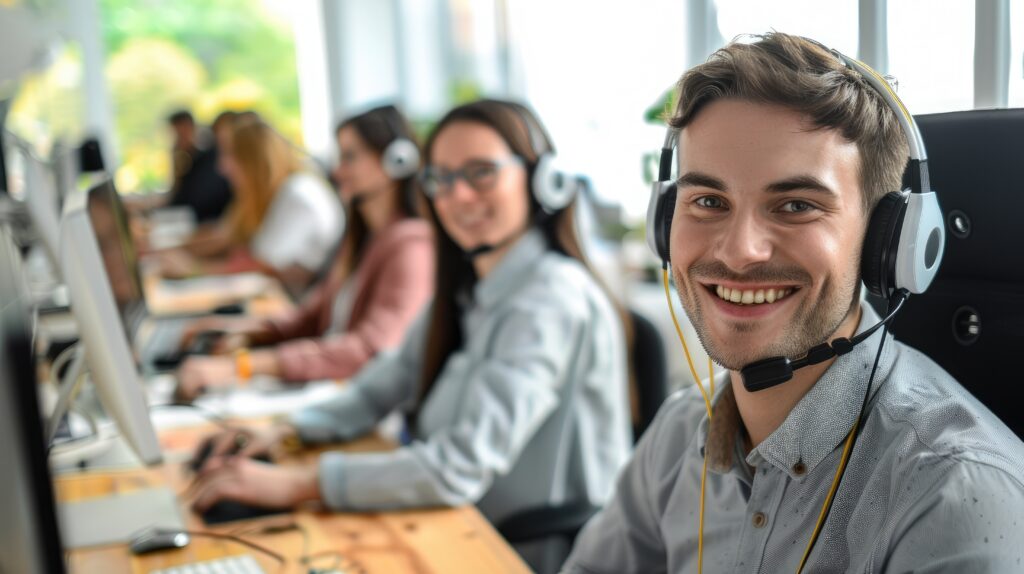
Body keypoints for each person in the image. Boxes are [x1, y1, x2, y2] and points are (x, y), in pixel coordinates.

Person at [563, 33, 1024, 573]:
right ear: (664, 224)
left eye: (796, 205)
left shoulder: (953, 497)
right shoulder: (680, 432)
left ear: (886, 243)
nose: (740, 252)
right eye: (708, 201)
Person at [185, 99, 633, 571]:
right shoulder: (471, 286)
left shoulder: (549, 301)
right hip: (452, 525)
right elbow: (386, 380)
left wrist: (298, 483)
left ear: (544, 180)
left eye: (481, 172)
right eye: (442, 177)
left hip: (521, 553)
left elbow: (457, 467)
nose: (457, 196)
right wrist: (289, 429)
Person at [173, 105, 435, 397]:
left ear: (396, 161)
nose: (338, 171)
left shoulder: (412, 246)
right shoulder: (365, 236)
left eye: (350, 157)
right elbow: (311, 317)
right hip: (332, 386)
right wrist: (242, 329)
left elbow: (370, 349)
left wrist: (246, 366)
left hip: (361, 403)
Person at [156, 115, 344, 293]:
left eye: (229, 155)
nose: (222, 167)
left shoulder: (298, 192)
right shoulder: (279, 190)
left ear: (254, 159)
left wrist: (194, 269)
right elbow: (228, 238)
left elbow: (262, 264)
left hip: (298, 305)